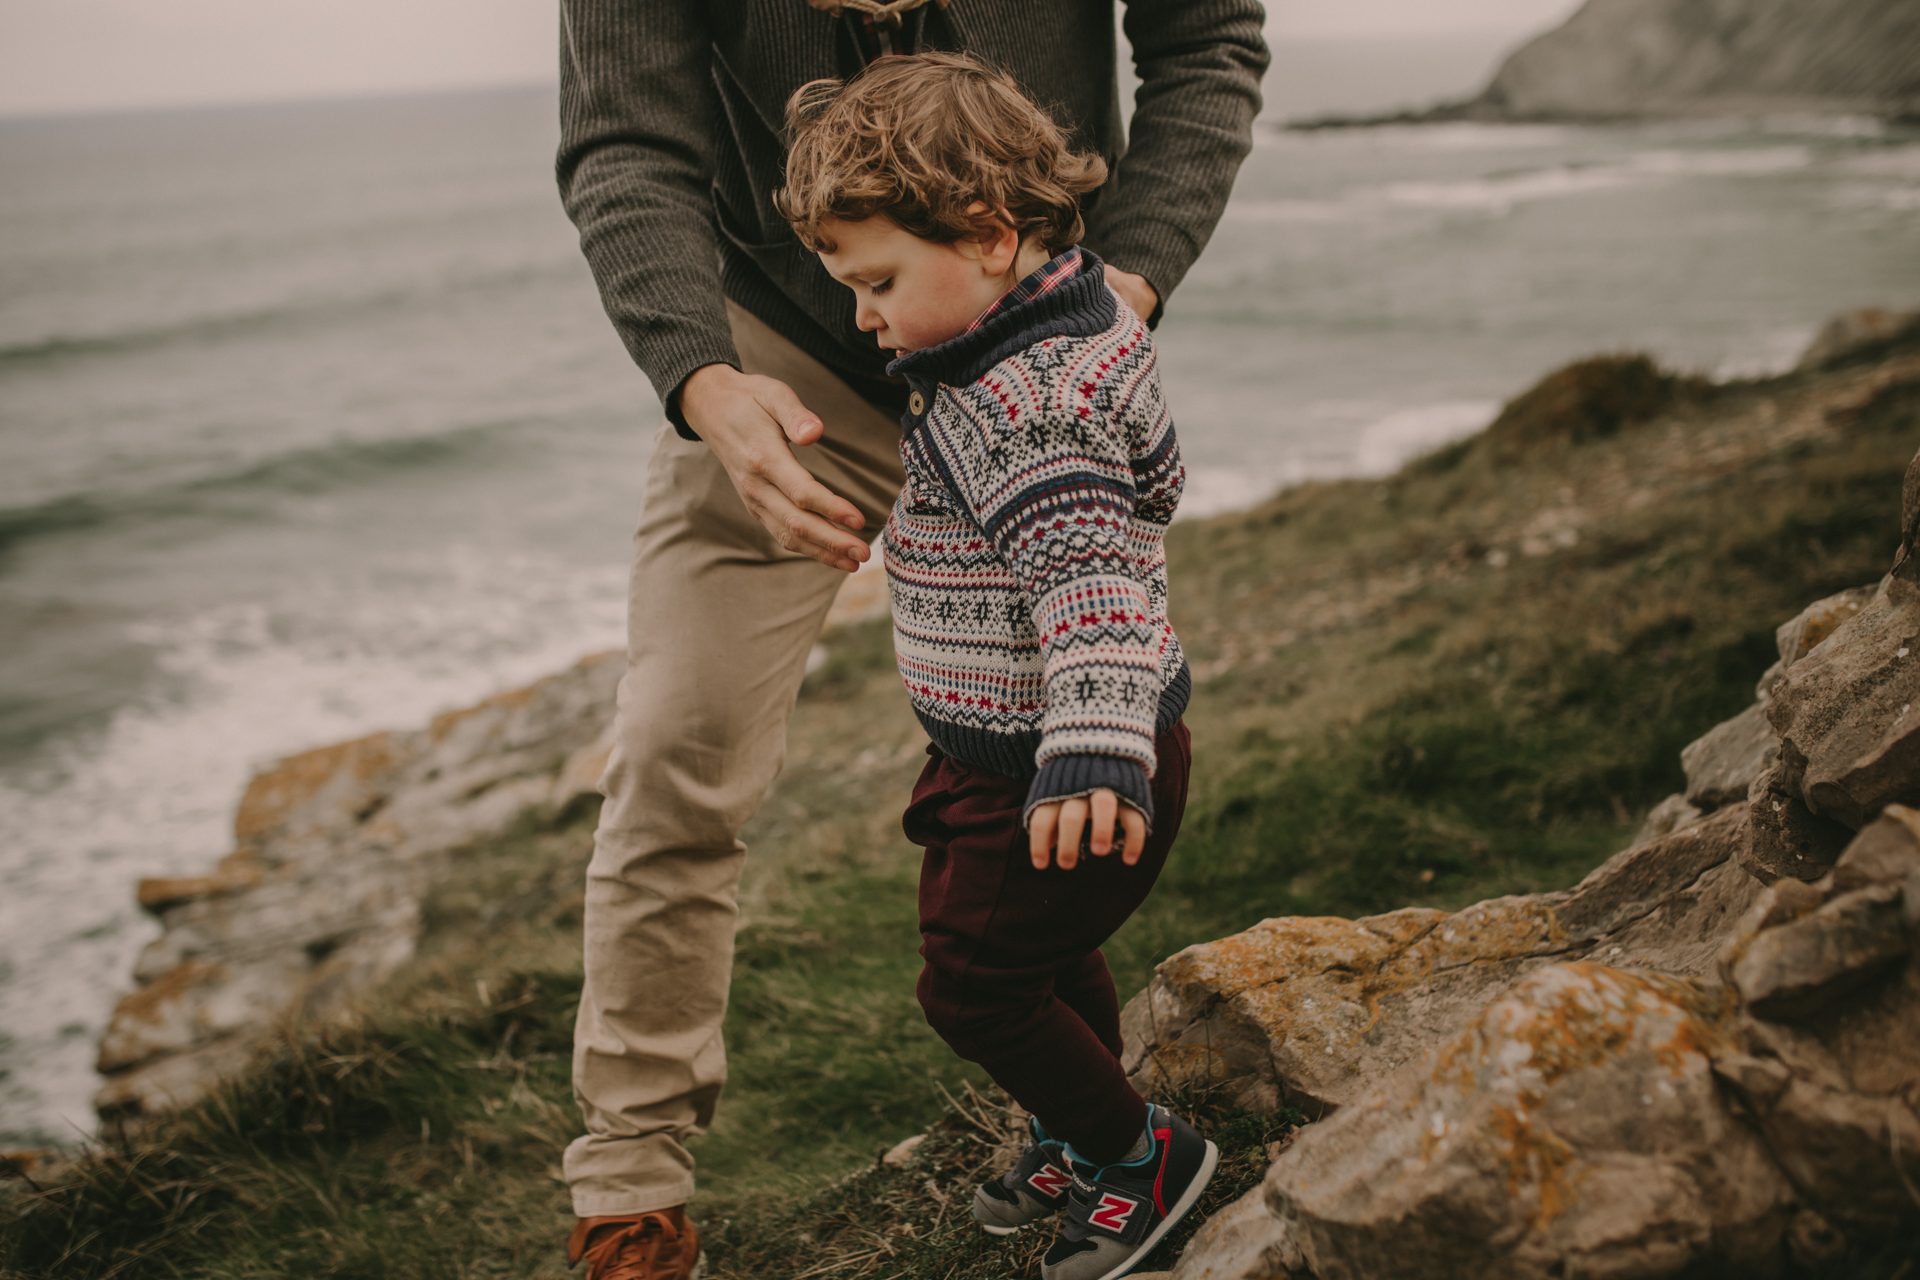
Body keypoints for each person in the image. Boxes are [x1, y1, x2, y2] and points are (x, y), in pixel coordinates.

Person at [555, 5, 1267, 1278]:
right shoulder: (828, 321)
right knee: (675, 747)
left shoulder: (1053, 392)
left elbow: (1207, 38)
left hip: (1018, 310)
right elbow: (627, 144)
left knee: (986, 959)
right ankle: (631, 1186)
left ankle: (1122, 1144)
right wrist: (704, 383)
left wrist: (1129, 279)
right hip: (775, 364)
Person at [779, 52, 1208, 1280]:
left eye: (877, 282)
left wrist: (1089, 748)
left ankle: (1141, 1154)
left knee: (970, 983)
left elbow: (1093, 586)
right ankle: (1080, 1123)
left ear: (985, 228)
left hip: (1069, 753)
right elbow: (1133, 503)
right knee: (1045, 952)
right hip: (1024, 745)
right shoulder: (1053, 326)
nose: (862, 316)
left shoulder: (1027, 401)